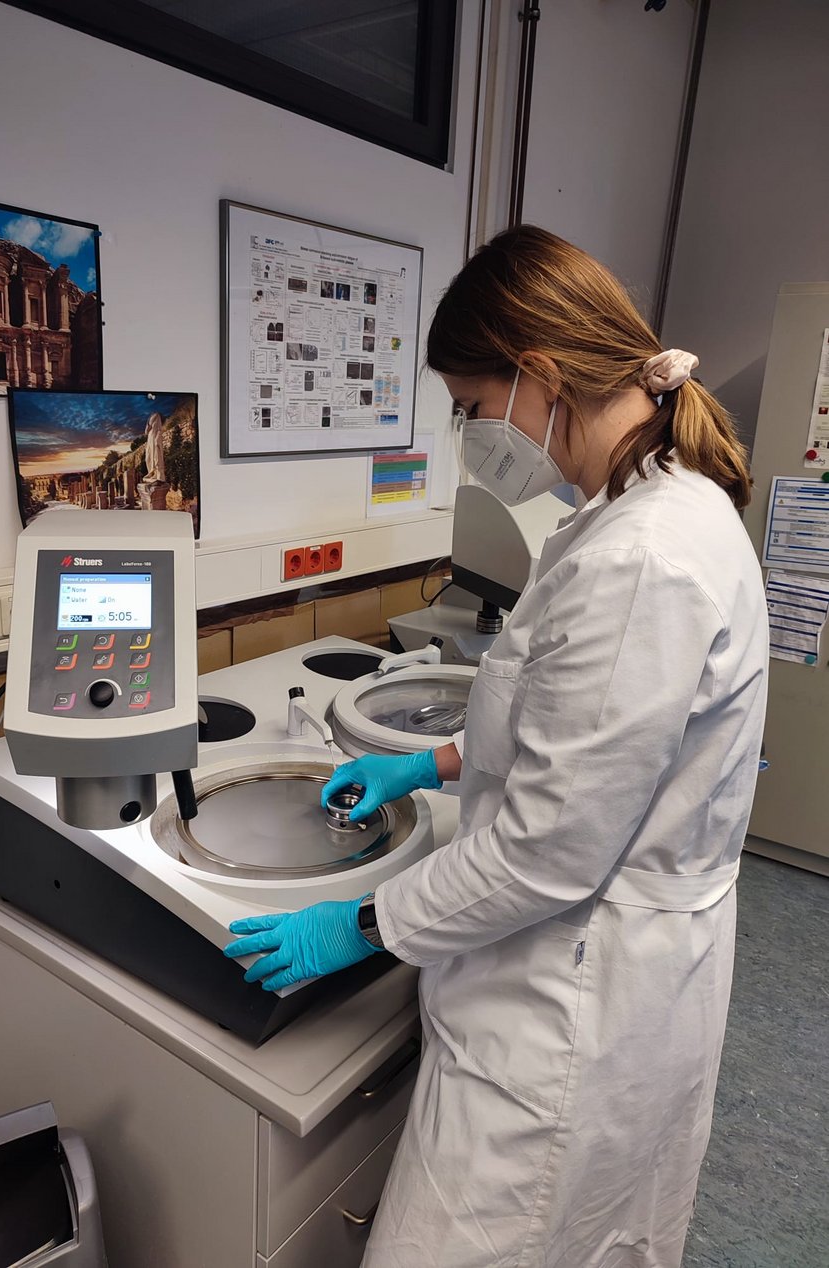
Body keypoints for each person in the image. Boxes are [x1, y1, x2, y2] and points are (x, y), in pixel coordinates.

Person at [224, 226, 768, 1267]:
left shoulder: (642, 557)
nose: (472, 433)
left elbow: (548, 848)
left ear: (540, 376)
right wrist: (427, 763)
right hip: (612, 963)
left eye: (473, 408)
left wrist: (366, 919)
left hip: (569, 1002)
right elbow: (585, 735)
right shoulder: (633, 513)